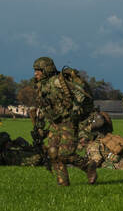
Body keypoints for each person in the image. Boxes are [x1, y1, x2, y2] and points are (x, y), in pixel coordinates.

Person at [31, 56, 99, 186]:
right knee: (52, 152)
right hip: (55, 123)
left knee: (65, 154)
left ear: (46, 69)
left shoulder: (58, 81)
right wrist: (39, 126)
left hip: (68, 121)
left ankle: (88, 166)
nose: (35, 73)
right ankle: (63, 183)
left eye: (38, 70)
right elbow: (43, 106)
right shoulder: (41, 85)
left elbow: (80, 93)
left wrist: (75, 109)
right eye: (35, 70)